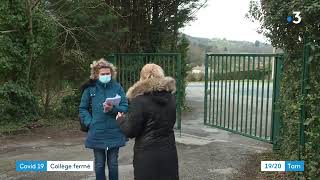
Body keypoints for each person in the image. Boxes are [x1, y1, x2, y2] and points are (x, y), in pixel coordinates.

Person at [116, 63, 179, 180]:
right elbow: (171, 122)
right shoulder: (171, 98)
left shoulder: (139, 101)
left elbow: (130, 131)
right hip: (169, 152)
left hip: (147, 155)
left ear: (142, 78)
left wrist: (120, 120)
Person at [79, 58, 128, 180]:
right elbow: (82, 109)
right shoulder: (90, 89)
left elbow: (125, 106)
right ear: (96, 74)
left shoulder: (117, 87)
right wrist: (90, 123)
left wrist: (112, 109)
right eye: (103, 74)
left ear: (112, 73)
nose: (106, 76)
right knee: (99, 164)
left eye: (108, 73)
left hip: (114, 131)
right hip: (97, 131)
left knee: (113, 164)